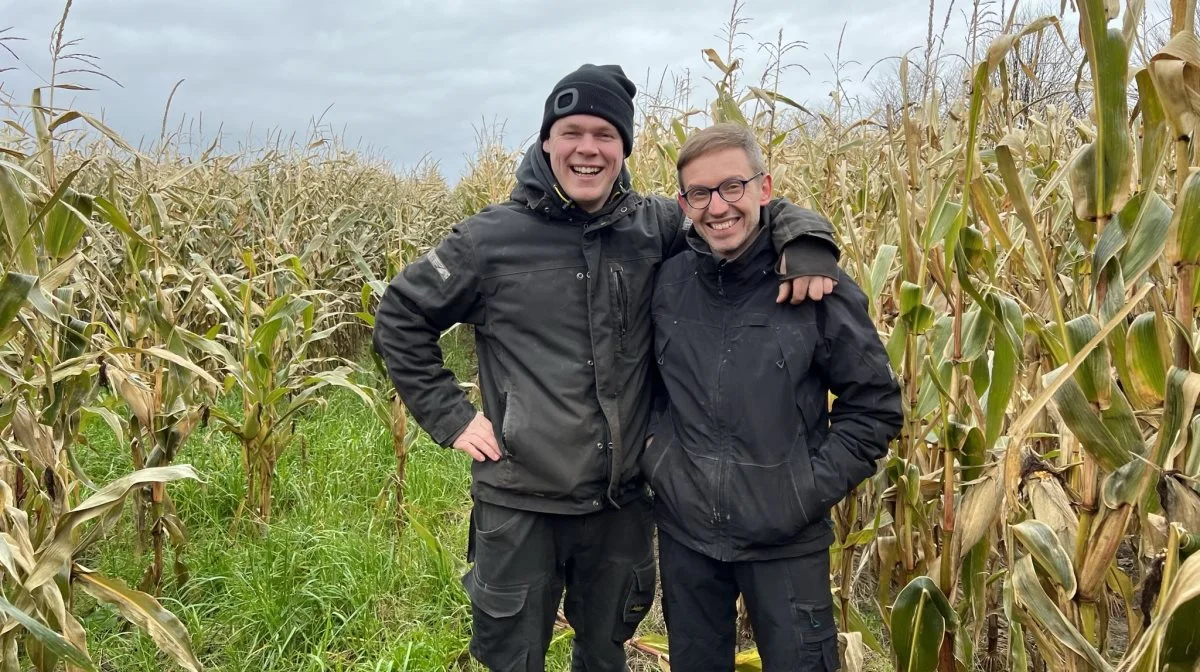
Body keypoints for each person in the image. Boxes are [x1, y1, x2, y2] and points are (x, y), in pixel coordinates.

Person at [372, 65, 840, 672]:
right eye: (571, 132)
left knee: (604, 654)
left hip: (621, 507)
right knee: (512, 658)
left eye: (605, 134)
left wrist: (807, 238)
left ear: (623, 148)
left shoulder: (656, 226)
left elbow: (734, 212)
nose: (587, 148)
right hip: (521, 505)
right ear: (547, 141)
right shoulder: (490, 240)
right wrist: (452, 417)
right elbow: (400, 316)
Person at [641, 122, 903, 672]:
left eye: (732, 187)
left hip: (786, 540)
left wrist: (802, 490)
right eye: (699, 194)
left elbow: (874, 407)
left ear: (764, 188)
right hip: (687, 536)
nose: (717, 207)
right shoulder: (666, 284)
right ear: (683, 203)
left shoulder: (815, 288)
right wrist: (659, 459)